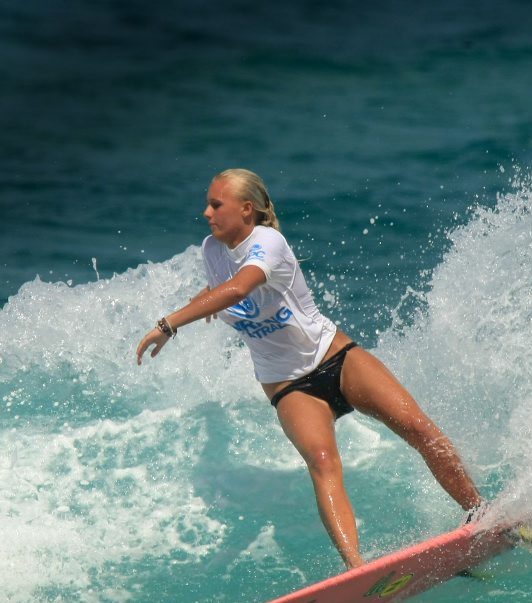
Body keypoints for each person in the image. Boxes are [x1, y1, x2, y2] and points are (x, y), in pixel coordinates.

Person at [136, 168, 483, 570]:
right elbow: (221, 287)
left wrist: (169, 323)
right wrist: (204, 300)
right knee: (322, 461)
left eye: (216, 204)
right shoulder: (213, 250)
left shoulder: (269, 241)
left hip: (335, 358)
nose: (206, 212)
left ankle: (479, 512)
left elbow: (238, 288)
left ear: (246, 209)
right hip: (288, 385)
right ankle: (357, 570)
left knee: (417, 428)